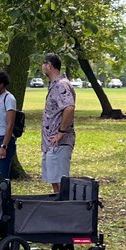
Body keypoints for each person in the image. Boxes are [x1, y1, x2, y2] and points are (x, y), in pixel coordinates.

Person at [40, 54, 76, 193]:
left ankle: (65, 210)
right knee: (53, 179)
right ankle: (59, 207)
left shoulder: (62, 85)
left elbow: (69, 107)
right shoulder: (54, 85)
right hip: (51, 143)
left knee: (61, 180)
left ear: (49, 65)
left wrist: (61, 132)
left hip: (60, 142)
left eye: (43, 64)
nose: (42, 67)